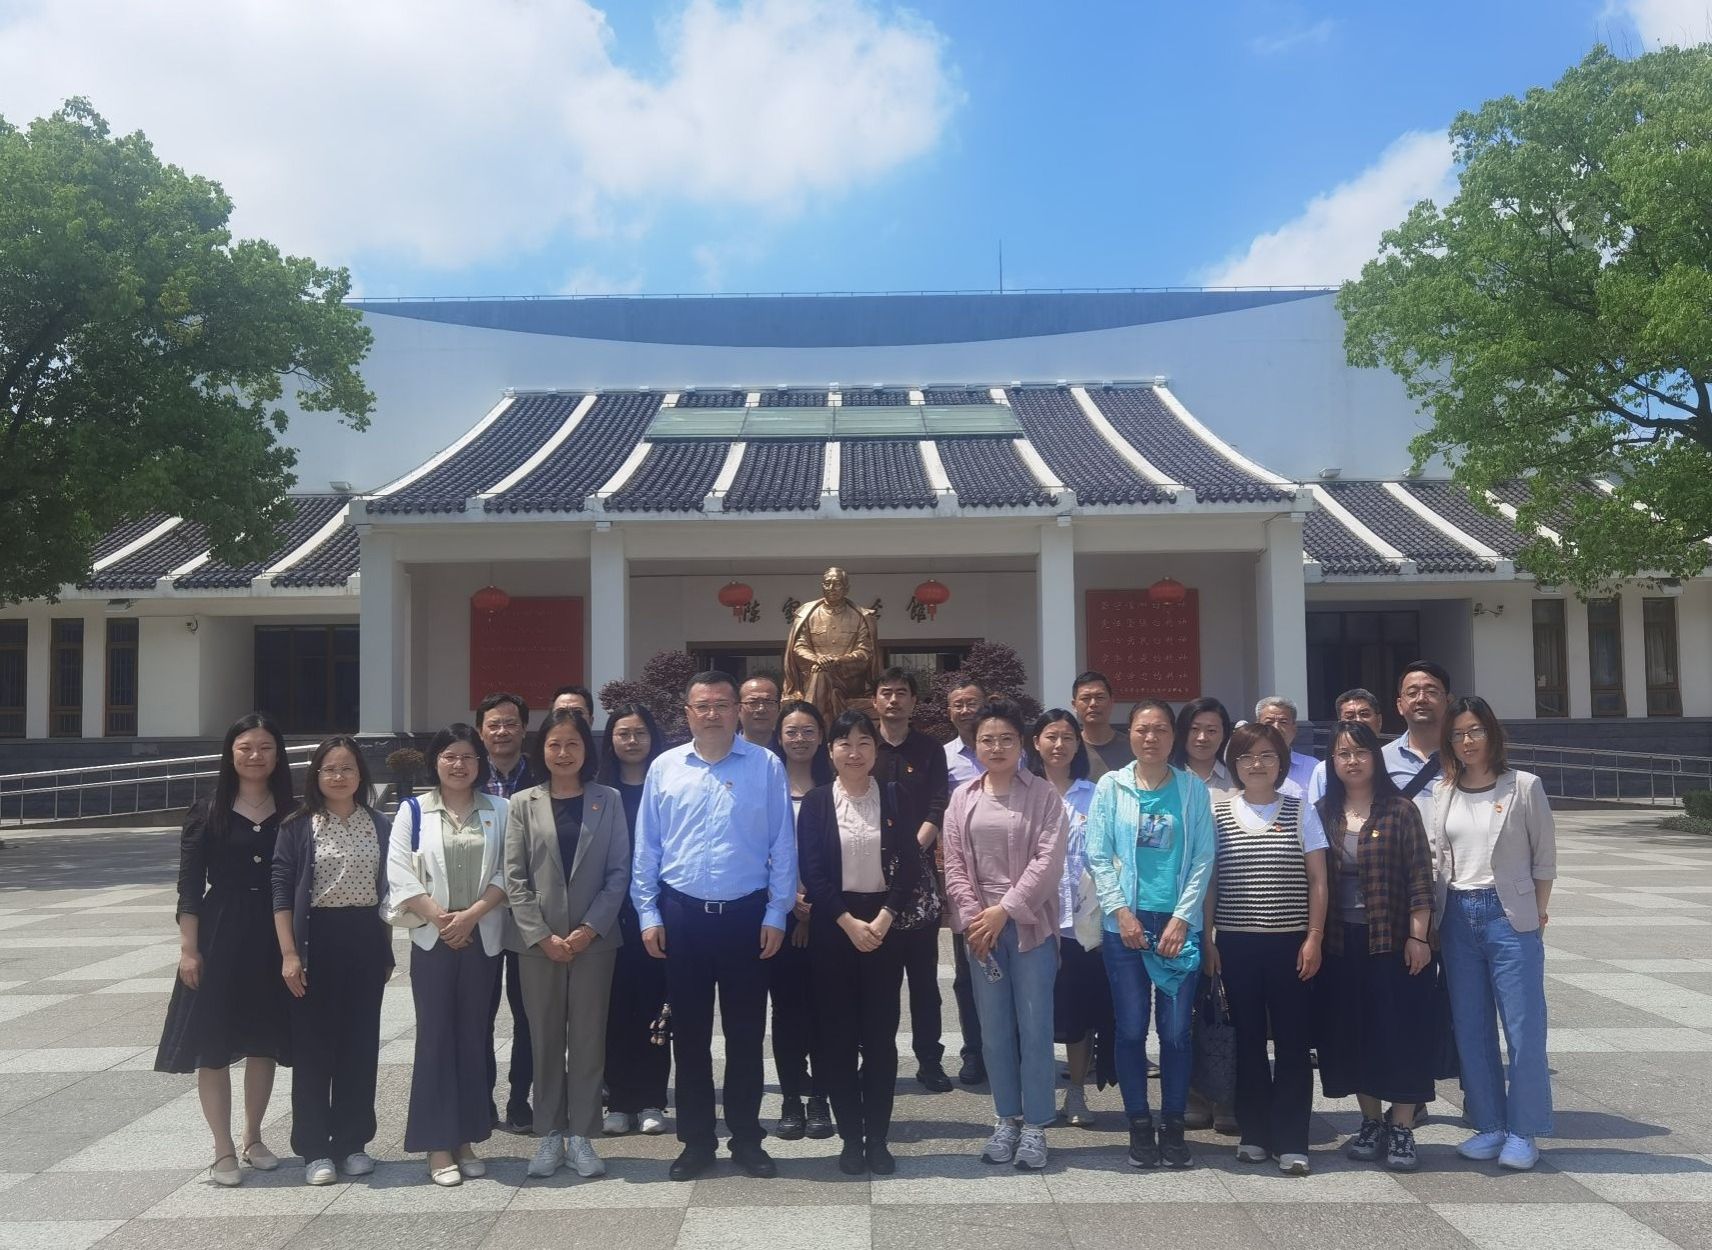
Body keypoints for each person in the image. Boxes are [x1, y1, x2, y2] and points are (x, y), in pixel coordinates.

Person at [632, 671, 797, 1182]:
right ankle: (697, 1141)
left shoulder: (765, 766)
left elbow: (782, 844)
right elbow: (647, 847)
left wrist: (777, 912)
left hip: (747, 917)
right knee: (690, 1036)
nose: (712, 714)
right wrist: (648, 913)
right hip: (682, 917)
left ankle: (747, 1138)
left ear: (737, 711)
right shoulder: (665, 767)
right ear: (687, 713)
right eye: (702, 706)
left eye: (722, 705)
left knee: (746, 1035)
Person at [156, 713, 297, 1187]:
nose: (256, 756)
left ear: (278, 755)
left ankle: (254, 1137)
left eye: (265, 747)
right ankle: (222, 1148)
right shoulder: (208, 810)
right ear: (230, 753)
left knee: (263, 1040)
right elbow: (190, 886)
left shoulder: (293, 810)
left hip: (274, 933)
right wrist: (188, 949)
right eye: (246, 747)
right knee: (212, 1043)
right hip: (219, 933)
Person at [1085, 699, 1215, 1171]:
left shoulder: (1192, 789)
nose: (1151, 737)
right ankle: (1139, 1124)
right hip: (1126, 926)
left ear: (1173, 736)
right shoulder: (1111, 785)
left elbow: (1203, 857)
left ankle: (1173, 1126)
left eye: (1160, 729)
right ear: (1132, 734)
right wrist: (1121, 913)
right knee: (1130, 1028)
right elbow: (1097, 855)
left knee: (1176, 1032)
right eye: (1142, 729)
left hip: (1178, 925)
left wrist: (1183, 918)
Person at [1429, 696, 1556, 1171]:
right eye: (1458, 734)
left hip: (1509, 916)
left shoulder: (1523, 786)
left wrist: (1537, 913)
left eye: (1475, 731)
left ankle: (1524, 1130)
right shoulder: (1444, 791)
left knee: (1523, 1029)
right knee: (1471, 1026)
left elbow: (1544, 858)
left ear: (1492, 733)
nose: (1467, 741)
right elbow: (1438, 857)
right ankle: (1490, 1124)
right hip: (1456, 914)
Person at [506, 707, 631, 1180]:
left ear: (586, 749)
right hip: (537, 944)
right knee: (543, 1038)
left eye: (572, 744)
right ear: (542, 749)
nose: (563, 753)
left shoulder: (608, 800)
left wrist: (588, 929)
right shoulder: (523, 803)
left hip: (594, 943)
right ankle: (548, 1134)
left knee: (587, 1038)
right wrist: (542, 934)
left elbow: (619, 872)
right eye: (554, 744)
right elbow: (514, 876)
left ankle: (582, 1135)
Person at [942, 700, 1068, 1171]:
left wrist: (1005, 910)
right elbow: (953, 862)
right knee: (993, 1031)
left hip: (1030, 926)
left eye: (1005, 739)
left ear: (1023, 744)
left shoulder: (1043, 796)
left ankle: (1036, 1124)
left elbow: (1048, 862)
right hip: (982, 932)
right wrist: (977, 918)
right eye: (987, 740)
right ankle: (1006, 1118)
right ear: (975, 746)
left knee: (1035, 1028)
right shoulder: (963, 797)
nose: (996, 747)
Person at [797, 710, 923, 1174]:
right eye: (845, 743)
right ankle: (851, 1137)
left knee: (880, 1038)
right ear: (830, 751)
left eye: (864, 742)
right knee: (837, 1038)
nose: (855, 752)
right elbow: (813, 871)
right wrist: (848, 923)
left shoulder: (894, 796)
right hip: (834, 928)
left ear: (875, 750)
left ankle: (879, 1138)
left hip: (885, 927)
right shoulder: (816, 803)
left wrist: (885, 917)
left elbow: (910, 864)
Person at [387, 724, 512, 1185]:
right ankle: (438, 1144)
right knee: (436, 1037)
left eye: (468, 757)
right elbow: (399, 872)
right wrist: (443, 920)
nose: (459, 765)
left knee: (473, 1037)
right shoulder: (413, 811)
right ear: (435, 761)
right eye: (450, 757)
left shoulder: (500, 809)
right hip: (432, 938)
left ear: (481, 763)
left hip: (482, 936)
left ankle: (468, 1137)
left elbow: (508, 871)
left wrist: (471, 917)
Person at [1202, 722, 1328, 1176]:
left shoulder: (1299, 809)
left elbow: (1318, 879)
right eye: (1247, 756)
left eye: (1267, 756)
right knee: (1248, 1040)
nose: (1257, 764)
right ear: (1234, 764)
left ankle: (1292, 1139)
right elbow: (1210, 881)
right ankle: (1254, 1132)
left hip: (1291, 944)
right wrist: (1208, 938)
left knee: (1293, 1042)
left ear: (1281, 762)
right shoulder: (1218, 813)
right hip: (1236, 945)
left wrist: (1314, 937)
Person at [1314, 720, 1437, 1173]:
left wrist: (1418, 936)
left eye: (1361, 752)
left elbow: (1420, 879)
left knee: (1399, 1032)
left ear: (1375, 758)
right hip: (1339, 944)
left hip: (1392, 941)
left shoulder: (1400, 810)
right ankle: (1370, 1121)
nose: (1352, 761)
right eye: (1343, 753)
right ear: (1333, 761)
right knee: (1355, 1034)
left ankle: (1401, 1126)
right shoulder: (1323, 812)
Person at [271, 736, 390, 1185]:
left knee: (360, 1046)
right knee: (314, 1049)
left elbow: (388, 891)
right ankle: (315, 1148)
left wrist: (385, 949)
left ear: (361, 775)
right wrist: (289, 953)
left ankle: (353, 1142)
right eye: (330, 769)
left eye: (347, 768)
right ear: (316, 775)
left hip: (365, 939)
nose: (339, 776)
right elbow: (282, 892)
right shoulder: (298, 826)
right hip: (315, 940)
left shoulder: (379, 824)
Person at [870, 667, 952, 1093]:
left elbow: (938, 802)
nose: (894, 700)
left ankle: (930, 1061)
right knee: (878, 982)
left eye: (902, 693)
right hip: (871, 876)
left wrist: (913, 849)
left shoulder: (929, 749)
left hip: (918, 877)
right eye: (886, 693)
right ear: (875, 701)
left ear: (914, 702)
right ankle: (876, 1060)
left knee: (923, 982)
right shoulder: (865, 745)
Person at [1031, 708, 1110, 1128]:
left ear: (1078, 744)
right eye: (1050, 736)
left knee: (1078, 1013)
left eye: (1066, 737)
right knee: (1034, 1013)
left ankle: (1076, 1092)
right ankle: (1037, 1094)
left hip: (1080, 924)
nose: (1058, 744)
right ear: (1036, 743)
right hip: (1032, 921)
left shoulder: (1094, 795)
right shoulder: (1024, 793)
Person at [595, 703, 670, 1137]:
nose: (632, 741)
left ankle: (652, 1098)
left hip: (658, 914)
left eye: (640, 732)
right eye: (623, 733)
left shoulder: (666, 785)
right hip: (609, 916)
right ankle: (619, 1100)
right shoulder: (598, 791)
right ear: (611, 740)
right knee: (614, 1008)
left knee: (656, 1008)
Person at [768, 699, 834, 1141]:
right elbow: (756, 847)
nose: (799, 738)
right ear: (779, 737)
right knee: (787, 1010)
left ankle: (821, 1098)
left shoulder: (836, 786)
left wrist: (815, 903)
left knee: (826, 1009)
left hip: (830, 915)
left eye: (808, 730)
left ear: (821, 736)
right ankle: (792, 1097)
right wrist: (788, 899)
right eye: (791, 731)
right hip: (779, 915)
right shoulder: (766, 786)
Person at [477, 691, 535, 1134]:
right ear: (481, 731)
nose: (502, 731)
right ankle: (480, 1100)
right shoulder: (466, 775)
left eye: (510, 723)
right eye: (494, 724)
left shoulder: (542, 776)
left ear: (524, 728)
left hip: (529, 915)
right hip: (479, 914)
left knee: (526, 1013)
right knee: (478, 1012)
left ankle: (520, 1099)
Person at [941, 676, 989, 1082]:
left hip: (1009, 876)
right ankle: (974, 1051)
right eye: (957, 704)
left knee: (1015, 965)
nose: (965, 710)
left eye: (971, 702)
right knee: (968, 971)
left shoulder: (1014, 753)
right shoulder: (943, 758)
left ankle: (1010, 1046)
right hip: (964, 877)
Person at [783, 566, 882, 721]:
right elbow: (799, 647)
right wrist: (817, 659)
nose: (831, 588)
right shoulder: (808, 614)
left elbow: (865, 653)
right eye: (827, 583)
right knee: (821, 674)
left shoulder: (860, 617)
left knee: (821, 673)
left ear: (846, 588)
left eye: (837, 583)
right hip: (814, 675)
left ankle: (809, 722)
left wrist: (838, 661)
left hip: (849, 680)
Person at [1385, 662, 1453, 818]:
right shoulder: (1382, 759)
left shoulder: (1465, 755)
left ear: (1449, 702)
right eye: (1412, 693)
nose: (1421, 699)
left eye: (1431, 692)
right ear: (1400, 705)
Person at [1306, 688, 1383, 804]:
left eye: (1364, 714)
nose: (1358, 721)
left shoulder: (1394, 760)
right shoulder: (1323, 771)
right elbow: (1315, 813)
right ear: (1340, 725)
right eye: (1350, 716)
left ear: (1379, 721)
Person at [1171, 696, 1236, 802]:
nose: (1202, 738)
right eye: (1194, 729)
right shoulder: (1166, 778)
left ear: (1224, 735)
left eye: (1211, 730)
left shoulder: (1237, 780)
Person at [1073, 671, 1134, 780]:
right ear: (1074, 705)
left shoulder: (1132, 747)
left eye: (1100, 697)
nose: (1093, 704)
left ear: (1111, 702)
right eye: (1085, 698)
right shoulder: (1070, 748)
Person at [1254, 697, 1317, 793]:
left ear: (1294, 728)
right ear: (1256, 727)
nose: (1276, 727)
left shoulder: (1312, 767)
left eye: (1283, 722)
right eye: (1269, 722)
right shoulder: (1244, 766)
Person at [739, 672, 784, 747]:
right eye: (753, 702)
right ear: (738, 709)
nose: (761, 709)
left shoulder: (789, 751)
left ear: (779, 708)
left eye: (768, 702)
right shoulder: (723, 749)